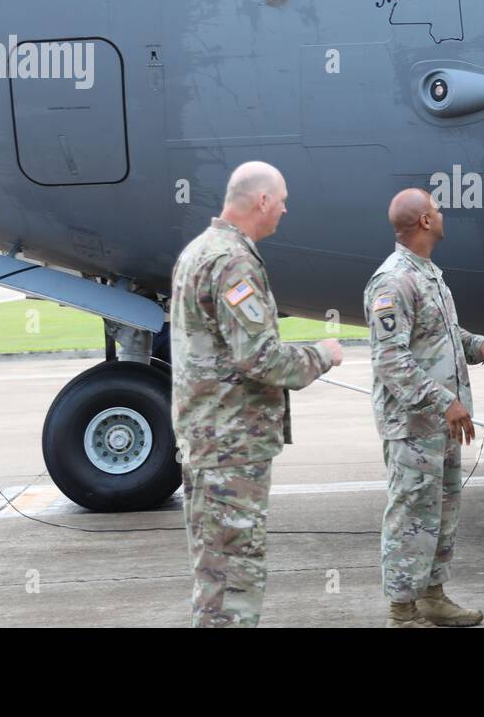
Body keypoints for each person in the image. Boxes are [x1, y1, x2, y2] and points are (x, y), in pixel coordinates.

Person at [170, 161, 344, 628]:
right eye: (282, 200)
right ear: (262, 201)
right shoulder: (232, 261)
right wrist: (322, 354)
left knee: (216, 573)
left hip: (211, 438)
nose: (285, 209)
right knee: (233, 581)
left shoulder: (200, 250)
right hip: (230, 445)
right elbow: (261, 360)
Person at [363, 189, 484, 628]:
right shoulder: (394, 281)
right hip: (414, 425)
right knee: (411, 513)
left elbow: (441, 335)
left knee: (441, 511)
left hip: (441, 423)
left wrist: (480, 346)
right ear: (424, 221)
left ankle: (433, 596)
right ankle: (402, 612)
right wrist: (446, 402)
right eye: (436, 210)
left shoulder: (427, 274)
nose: (442, 215)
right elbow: (391, 360)